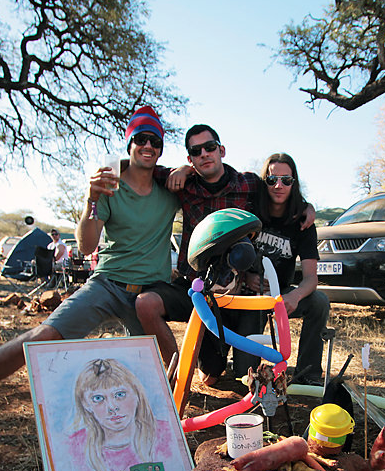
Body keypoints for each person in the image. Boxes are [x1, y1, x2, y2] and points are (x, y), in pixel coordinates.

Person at [0, 105, 178, 443]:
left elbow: (206, 181)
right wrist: (91, 199)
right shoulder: (109, 184)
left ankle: (170, 423)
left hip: (147, 296)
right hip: (108, 284)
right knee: (39, 338)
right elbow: (86, 244)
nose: (148, 145)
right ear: (129, 143)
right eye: (141, 138)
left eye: (155, 140)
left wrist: (184, 168)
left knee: (169, 368)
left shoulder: (170, 188)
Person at [135, 124, 315, 385]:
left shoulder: (248, 183)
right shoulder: (183, 183)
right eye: (196, 152)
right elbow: (141, 166)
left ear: (221, 150)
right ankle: (175, 377)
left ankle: (252, 361)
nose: (204, 154)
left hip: (235, 293)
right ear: (190, 159)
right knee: (207, 374)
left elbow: (281, 189)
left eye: (209, 147)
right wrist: (181, 170)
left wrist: (307, 207)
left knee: (243, 376)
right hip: (197, 290)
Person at [233, 153, 329, 384]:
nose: (279, 186)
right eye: (272, 179)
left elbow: (311, 278)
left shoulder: (303, 222)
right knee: (243, 374)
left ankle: (308, 373)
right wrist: (245, 277)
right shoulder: (249, 212)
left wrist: (295, 296)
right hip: (250, 297)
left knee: (319, 301)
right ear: (263, 181)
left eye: (286, 180)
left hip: (282, 295)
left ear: (294, 183)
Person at [66, 358, 175, 471]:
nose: (112, 407)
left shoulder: (166, 434)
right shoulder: (73, 447)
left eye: (120, 394)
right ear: (85, 404)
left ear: (137, 394)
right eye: (98, 398)